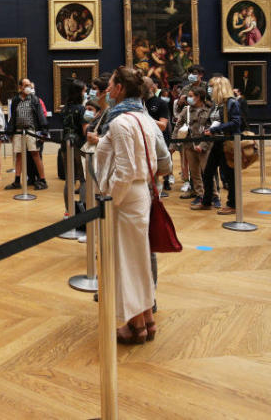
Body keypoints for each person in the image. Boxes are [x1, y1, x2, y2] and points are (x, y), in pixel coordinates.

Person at [95, 67, 158, 344]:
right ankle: (147, 319)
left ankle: (135, 327)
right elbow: (152, 162)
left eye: (110, 84)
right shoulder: (144, 118)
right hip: (141, 191)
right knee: (139, 258)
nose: (107, 89)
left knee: (126, 262)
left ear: (120, 87)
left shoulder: (121, 122)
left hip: (126, 195)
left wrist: (111, 200)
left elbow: (125, 170)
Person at [201, 75, 244, 215]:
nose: (209, 89)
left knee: (230, 176)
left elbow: (236, 123)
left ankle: (233, 205)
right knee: (207, 172)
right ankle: (207, 201)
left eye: (211, 87)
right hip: (217, 142)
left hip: (229, 143)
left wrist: (214, 129)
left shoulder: (231, 102)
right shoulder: (216, 104)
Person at [172, 88, 213, 210]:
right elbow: (177, 127)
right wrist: (173, 145)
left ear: (198, 97)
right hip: (189, 145)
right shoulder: (186, 110)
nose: (188, 98)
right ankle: (200, 195)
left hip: (204, 146)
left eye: (190, 95)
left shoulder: (208, 110)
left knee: (207, 172)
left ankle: (213, 196)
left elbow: (211, 130)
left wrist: (203, 146)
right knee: (194, 172)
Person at [4, 78, 48, 191]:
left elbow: (40, 115)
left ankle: (42, 180)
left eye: (29, 85)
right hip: (19, 131)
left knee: (35, 155)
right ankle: (17, 181)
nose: (28, 87)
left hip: (31, 131)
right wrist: (10, 131)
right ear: (20, 87)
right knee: (19, 156)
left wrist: (44, 131)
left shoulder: (34, 99)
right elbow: (13, 116)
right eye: (26, 85)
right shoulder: (15, 100)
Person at [60, 79, 88, 213]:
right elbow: (84, 131)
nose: (86, 93)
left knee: (69, 180)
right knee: (83, 179)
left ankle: (68, 210)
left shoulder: (64, 109)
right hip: (79, 146)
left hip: (65, 145)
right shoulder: (82, 109)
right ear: (79, 92)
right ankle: (83, 211)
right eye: (84, 91)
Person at [143, 76, 171, 194]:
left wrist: (144, 118)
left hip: (156, 142)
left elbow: (163, 125)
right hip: (142, 141)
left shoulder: (160, 103)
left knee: (153, 174)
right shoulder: (139, 102)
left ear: (150, 87)